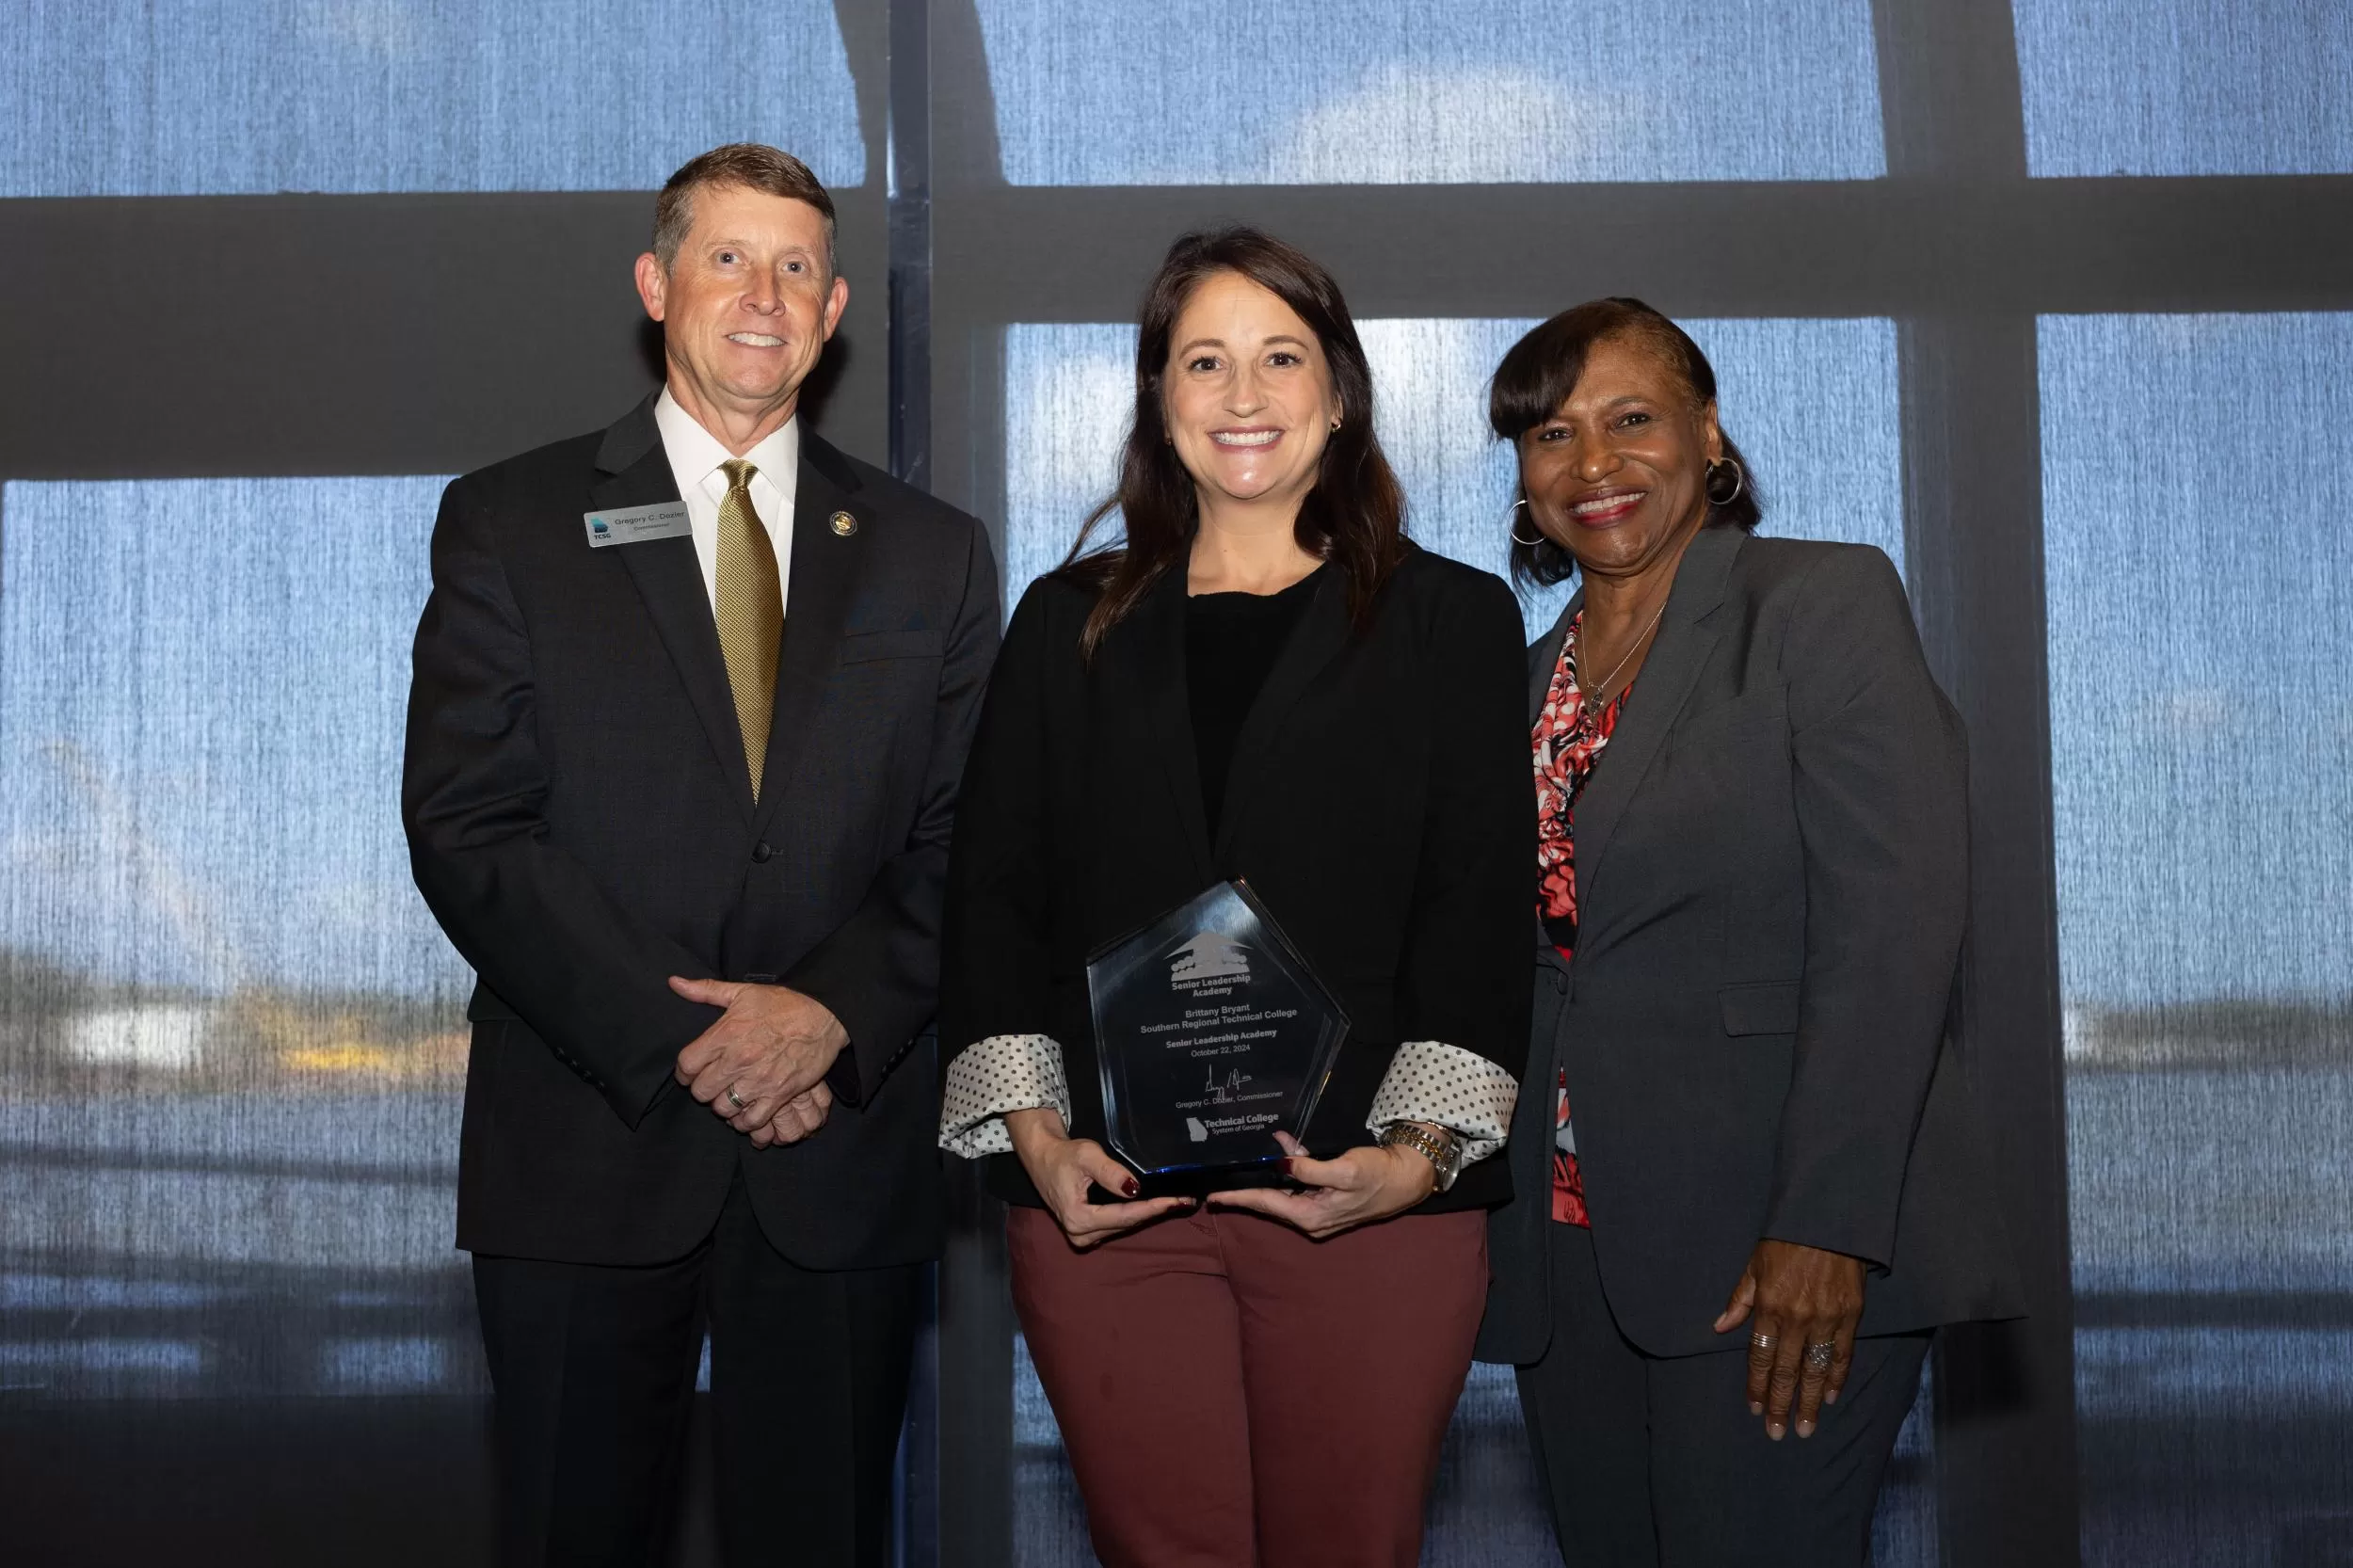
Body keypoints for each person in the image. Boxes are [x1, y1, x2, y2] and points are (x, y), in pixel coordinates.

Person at [403, 143, 999, 1566]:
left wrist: (822, 1018)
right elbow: (471, 821)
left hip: (838, 1151)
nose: (764, 294)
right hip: (585, 1140)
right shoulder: (511, 519)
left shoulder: (935, 553)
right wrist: (691, 1039)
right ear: (656, 283)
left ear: (838, 305)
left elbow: (970, 835)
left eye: (797, 266)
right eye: (728, 258)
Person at [937, 228, 1529, 1568]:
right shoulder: (1064, 621)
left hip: (1364, 1204)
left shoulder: (1451, 623)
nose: (1244, 394)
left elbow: (1479, 909)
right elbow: (995, 899)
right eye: (1205, 360)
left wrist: (1416, 1159)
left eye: (1280, 358)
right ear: (1161, 397)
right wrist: (1033, 1137)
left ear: (1339, 391)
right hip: (1111, 1217)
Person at [1474, 298, 2021, 1566]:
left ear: (1708, 434)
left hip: (1773, 1244)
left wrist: (1827, 1227)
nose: (1592, 465)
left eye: (1632, 420)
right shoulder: (1520, 672)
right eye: (1552, 432)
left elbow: (1894, 925)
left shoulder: (1818, 602)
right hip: (1570, 1256)